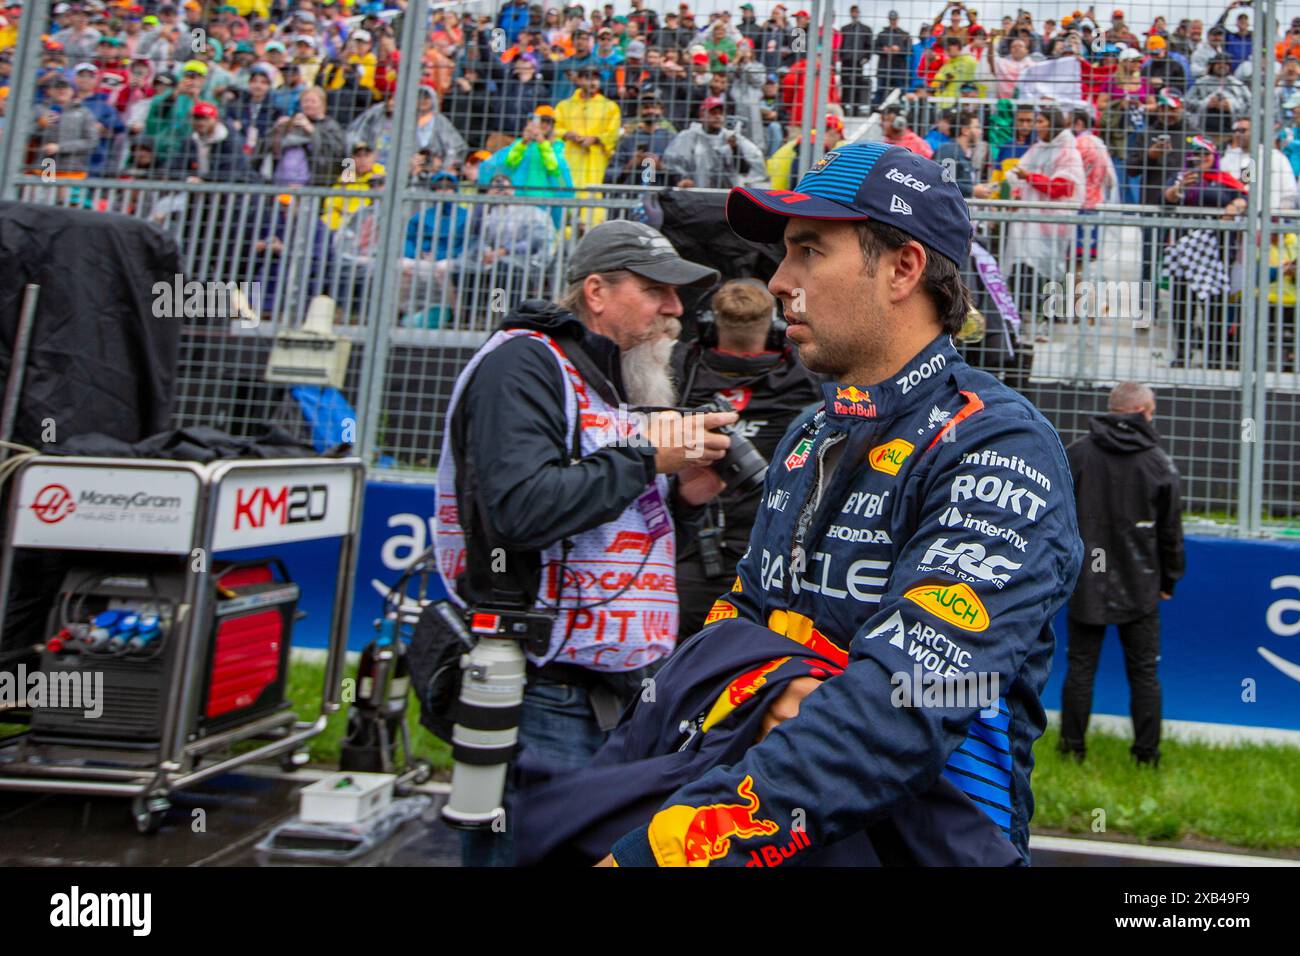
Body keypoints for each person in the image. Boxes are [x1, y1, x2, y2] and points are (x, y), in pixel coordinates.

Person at [595, 140, 1082, 868]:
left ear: (903, 268)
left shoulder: (996, 444)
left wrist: (669, 854)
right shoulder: (809, 434)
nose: (779, 279)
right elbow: (736, 627)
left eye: (808, 251)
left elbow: (908, 700)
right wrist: (781, 684)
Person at [432, 219, 734, 866]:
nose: (675, 311)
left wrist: (682, 500)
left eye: (677, 295)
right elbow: (517, 509)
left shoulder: (608, 378)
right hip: (544, 689)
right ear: (596, 291)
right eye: (657, 290)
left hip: (621, 691)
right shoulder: (522, 361)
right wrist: (646, 458)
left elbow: (605, 530)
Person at [671, 279, 821, 637]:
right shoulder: (806, 377)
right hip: (769, 557)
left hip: (687, 549)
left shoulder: (680, 370)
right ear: (775, 330)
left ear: (709, 326)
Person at [1060, 381, 1185, 766]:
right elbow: (1170, 534)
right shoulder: (1158, 463)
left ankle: (1071, 751)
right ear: (1146, 411)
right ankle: (1146, 757)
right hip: (1142, 585)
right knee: (1145, 673)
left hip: (1086, 581)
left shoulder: (1077, 454)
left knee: (1080, 667)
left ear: (1112, 410)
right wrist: (1168, 581)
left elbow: (1055, 517)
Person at [662, 96, 767, 189]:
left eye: (721, 113)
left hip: (726, 195)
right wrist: (682, 180)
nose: (718, 116)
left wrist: (735, 148)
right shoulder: (688, 136)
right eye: (713, 113)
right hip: (696, 195)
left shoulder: (732, 138)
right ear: (702, 116)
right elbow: (673, 164)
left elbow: (745, 171)